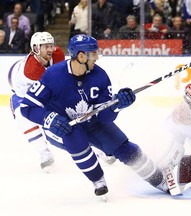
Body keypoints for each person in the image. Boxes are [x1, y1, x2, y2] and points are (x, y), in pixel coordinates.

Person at [20, 34, 170, 198]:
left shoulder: (100, 76)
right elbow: (27, 107)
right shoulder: (53, 75)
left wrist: (116, 105)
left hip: (92, 122)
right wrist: (49, 119)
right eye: (94, 54)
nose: (97, 57)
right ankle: (98, 180)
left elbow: (104, 118)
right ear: (81, 56)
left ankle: (160, 180)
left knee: (126, 149)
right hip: (63, 126)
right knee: (76, 138)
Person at [8, 31, 65, 172]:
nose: (50, 49)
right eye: (45, 46)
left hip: (42, 92)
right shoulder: (31, 69)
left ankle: (98, 149)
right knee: (23, 118)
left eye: (51, 45)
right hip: (23, 97)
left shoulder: (58, 54)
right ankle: (44, 153)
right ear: (35, 49)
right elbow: (54, 86)